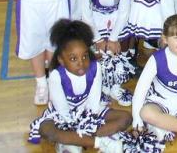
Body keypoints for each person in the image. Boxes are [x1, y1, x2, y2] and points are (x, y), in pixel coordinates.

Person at [28, 19, 132, 153]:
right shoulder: (56, 75)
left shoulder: (95, 68)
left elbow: (93, 105)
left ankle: (72, 141)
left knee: (125, 118)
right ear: (61, 60)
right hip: (63, 116)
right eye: (73, 59)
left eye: (84, 57)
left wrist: (88, 124)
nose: (80, 63)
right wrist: (74, 126)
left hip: (87, 113)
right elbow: (62, 111)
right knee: (47, 130)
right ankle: (102, 142)